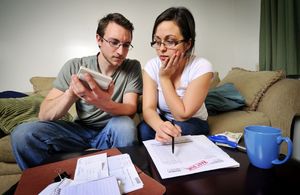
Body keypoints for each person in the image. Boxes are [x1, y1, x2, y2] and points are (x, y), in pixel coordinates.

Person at [11, 13, 143, 170]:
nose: (121, 52)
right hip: (78, 131)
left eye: (126, 45)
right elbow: (44, 115)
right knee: (21, 134)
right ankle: (48, 184)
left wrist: (102, 102)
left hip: (111, 128)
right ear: (99, 40)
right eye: (114, 42)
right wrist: (71, 93)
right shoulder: (74, 66)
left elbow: (130, 109)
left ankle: (126, 180)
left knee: (125, 126)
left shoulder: (132, 67)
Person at [138, 7, 213, 143]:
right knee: (144, 130)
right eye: (157, 41)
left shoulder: (201, 66)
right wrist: (160, 127)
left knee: (181, 130)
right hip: (165, 120)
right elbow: (148, 109)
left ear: (187, 44)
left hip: (192, 122)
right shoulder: (151, 66)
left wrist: (164, 78)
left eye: (170, 41)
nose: (162, 49)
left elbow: (182, 115)